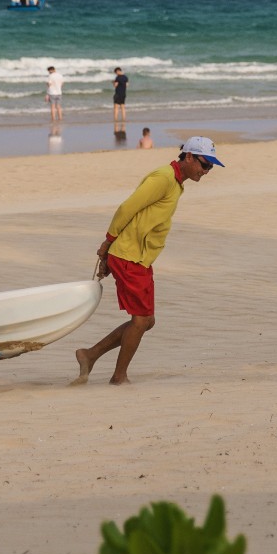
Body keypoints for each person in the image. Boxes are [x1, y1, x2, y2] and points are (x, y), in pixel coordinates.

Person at [72, 137, 223, 386]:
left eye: (210, 167)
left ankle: (90, 355)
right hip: (129, 256)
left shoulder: (176, 182)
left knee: (147, 321)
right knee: (140, 321)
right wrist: (107, 245)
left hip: (139, 258)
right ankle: (119, 376)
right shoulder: (163, 178)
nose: (206, 171)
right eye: (204, 165)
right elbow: (126, 209)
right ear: (188, 157)